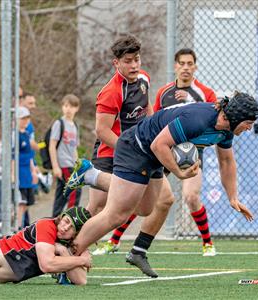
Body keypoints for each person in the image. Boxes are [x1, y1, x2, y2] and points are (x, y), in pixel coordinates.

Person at [64, 93, 258, 277]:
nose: (249, 128)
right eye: (248, 123)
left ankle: (92, 176)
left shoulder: (226, 131)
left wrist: (233, 197)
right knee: (117, 214)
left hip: (154, 156)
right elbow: (159, 145)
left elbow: (226, 162)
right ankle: (68, 256)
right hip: (137, 147)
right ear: (234, 116)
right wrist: (179, 172)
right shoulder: (199, 119)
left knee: (148, 206)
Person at [95, 48, 218, 259]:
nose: (186, 68)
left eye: (190, 64)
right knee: (140, 197)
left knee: (190, 196)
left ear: (195, 67)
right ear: (175, 66)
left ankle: (207, 243)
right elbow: (154, 119)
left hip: (191, 155)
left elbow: (210, 118)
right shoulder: (164, 92)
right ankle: (114, 241)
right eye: (182, 63)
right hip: (161, 152)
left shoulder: (205, 94)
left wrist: (190, 100)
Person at [83, 35, 153, 255]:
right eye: (128, 61)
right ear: (116, 63)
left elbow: (147, 109)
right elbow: (102, 131)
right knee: (96, 207)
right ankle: (69, 247)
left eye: (137, 59)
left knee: (152, 203)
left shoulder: (143, 80)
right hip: (109, 154)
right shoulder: (112, 92)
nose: (134, 65)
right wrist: (129, 149)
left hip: (135, 154)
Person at [50, 94, 82, 217]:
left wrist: (78, 165)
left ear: (77, 108)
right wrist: (55, 167)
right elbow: (52, 145)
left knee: (62, 195)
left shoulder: (75, 126)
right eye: (65, 106)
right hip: (63, 164)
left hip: (72, 164)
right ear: (62, 107)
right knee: (75, 190)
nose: (68, 109)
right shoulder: (59, 123)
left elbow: (74, 148)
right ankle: (71, 219)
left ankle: (53, 221)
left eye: (72, 106)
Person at [15, 107, 38, 229]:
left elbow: (30, 155)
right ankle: (17, 227)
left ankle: (20, 225)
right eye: (22, 118)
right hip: (19, 171)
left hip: (27, 172)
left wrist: (33, 171)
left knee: (27, 202)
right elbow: (12, 157)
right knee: (21, 201)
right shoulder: (15, 135)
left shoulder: (27, 134)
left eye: (27, 118)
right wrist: (13, 174)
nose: (25, 121)